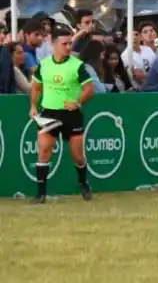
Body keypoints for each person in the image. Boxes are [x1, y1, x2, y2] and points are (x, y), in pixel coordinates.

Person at [29, 28, 96, 203]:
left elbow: (89, 89)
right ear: (54, 45)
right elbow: (36, 87)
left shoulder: (77, 65)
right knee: (43, 150)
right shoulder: (44, 64)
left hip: (71, 114)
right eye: (64, 44)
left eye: (70, 43)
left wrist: (77, 102)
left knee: (77, 155)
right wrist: (33, 106)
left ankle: (83, 183)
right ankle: (40, 194)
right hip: (49, 112)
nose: (68, 47)